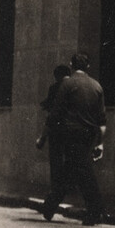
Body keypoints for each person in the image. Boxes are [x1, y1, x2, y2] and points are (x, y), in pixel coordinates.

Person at [42, 53, 108, 225]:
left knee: (81, 172)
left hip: (70, 134)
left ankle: (94, 211)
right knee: (75, 169)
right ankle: (51, 206)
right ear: (88, 67)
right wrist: (100, 143)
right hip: (88, 135)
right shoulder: (97, 86)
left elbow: (55, 113)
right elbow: (102, 120)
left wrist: (45, 134)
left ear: (71, 65)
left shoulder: (67, 84)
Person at [35, 63, 70, 201]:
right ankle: (67, 188)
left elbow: (52, 110)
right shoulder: (75, 86)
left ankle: (56, 190)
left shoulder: (56, 87)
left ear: (57, 76)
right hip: (73, 130)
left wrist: (42, 137)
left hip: (57, 129)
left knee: (56, 161)